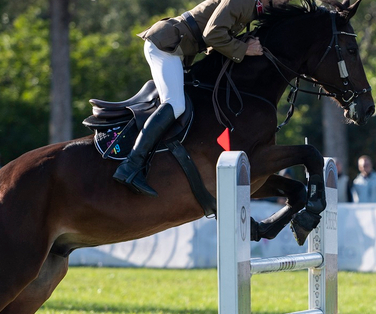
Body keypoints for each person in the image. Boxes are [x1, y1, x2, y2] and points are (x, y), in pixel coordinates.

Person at [113, 0, 281, 197]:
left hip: (180, 51)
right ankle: (131, 165)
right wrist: (244, 49)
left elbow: (214, 41)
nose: (285, 2)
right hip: (166, 45)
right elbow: (212, 34)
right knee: (175, 104)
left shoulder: (253, 9)